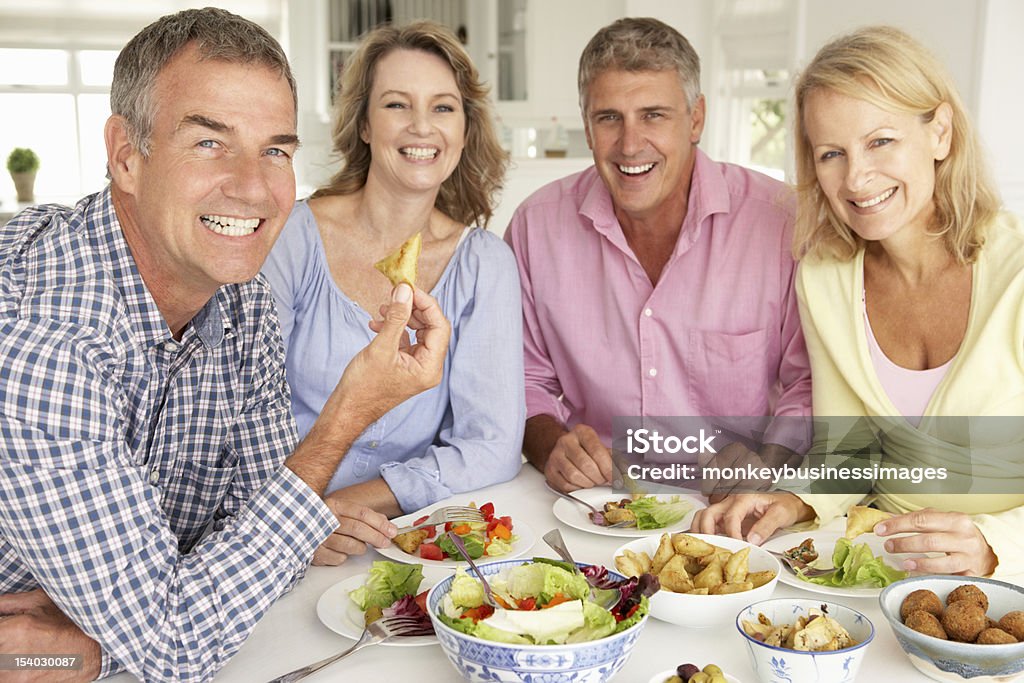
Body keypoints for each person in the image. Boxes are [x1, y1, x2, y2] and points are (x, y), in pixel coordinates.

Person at [0, 8, 449, 681]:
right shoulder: (48, 335)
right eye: (210, 142)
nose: (253, 186)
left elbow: (254, 545)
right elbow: (180, 641)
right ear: (127, 155)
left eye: (275, 149)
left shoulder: (242, 301)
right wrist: (347, 414)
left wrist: (91, 643)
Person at [692, 26, 1024, 577]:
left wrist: (993, 546)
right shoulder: (826, 278)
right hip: (876, 560)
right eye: (831, 154)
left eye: (880, 141)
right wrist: (797, 500)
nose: (856, 177)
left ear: (939, 132)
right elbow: (848, 450)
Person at [504, 17, 811, 492]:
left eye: (653, 115)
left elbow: (808, 383)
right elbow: (522, 380)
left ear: (696, 119)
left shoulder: (782, 224)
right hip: (593, 504)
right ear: (587, 126)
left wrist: (768, 465)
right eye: (609, 117)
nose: (629, 145)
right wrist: (551, 448)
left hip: (739, 504)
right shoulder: (534, 227)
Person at [261, 22, 523, 559]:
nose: (422, 126)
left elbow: (491, 447)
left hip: (400, 539)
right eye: (397, 105)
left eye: (444, 107)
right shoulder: (291, 235)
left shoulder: (485, 263)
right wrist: (299, 515)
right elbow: (236, 413)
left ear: (466, 128)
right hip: (266, 534)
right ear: (363, 124)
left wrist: (354, 503)